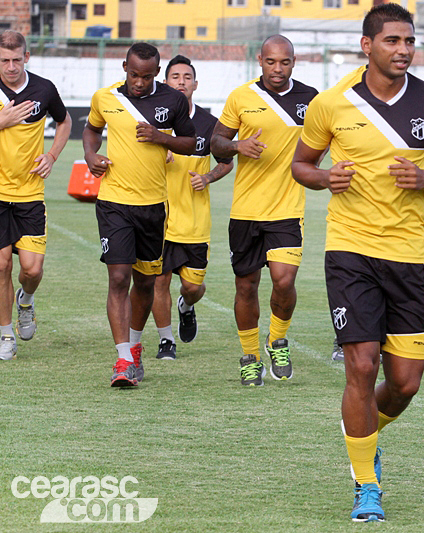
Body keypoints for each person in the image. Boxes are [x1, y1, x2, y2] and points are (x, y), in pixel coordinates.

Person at [292, 3, 424, 522]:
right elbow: (302, 165)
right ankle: (366, 484)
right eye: (392, 41)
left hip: (408, 256)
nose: (404, 49)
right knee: (362, 366)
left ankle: (364, 435)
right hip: (350, 251)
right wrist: (326, 178)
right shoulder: (332, 104)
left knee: (407, 382)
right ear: (367, 46)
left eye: (409, 41)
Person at [83, 42, 196, 387]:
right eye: (133, 74)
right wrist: (91, 155)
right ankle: (121, 359)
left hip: (153, 207)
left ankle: (134, 346)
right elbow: (91, 129)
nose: (139, 82)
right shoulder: (105, 98)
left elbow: (190, 143)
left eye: (146, 77)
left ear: (156, 74)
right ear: (124, 67)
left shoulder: (173, 101)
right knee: (118, 277)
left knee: (145, 282)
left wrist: (161, 137)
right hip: (114, 202)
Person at [211, 35, 318, 385]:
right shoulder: (242, 97)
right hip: (245, 210)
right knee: (246, 287)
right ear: (260, 60)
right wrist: (237, 144)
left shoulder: (311, 99)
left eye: (284, 62)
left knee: (284, 280)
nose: (277, 68)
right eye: (271, 62)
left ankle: (277, 339)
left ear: (293, 61)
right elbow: (217, 144)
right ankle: (250, 356)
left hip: (287, 207)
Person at [150, 55, 233, 360]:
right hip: (158, 219)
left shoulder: (209, 125)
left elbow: (227, 161)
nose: (181, 82)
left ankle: (187, 306)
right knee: (158, 281)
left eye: (187, 77)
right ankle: (165, 340)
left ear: (195, 84)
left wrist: (208, 176)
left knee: (193, 287)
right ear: (165, 81)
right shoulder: (153, 120)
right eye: (175, 77)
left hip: (195, 222)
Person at [0, 31, 71, 361]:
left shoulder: (43, 88)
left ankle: (25, 301)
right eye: (4, 60)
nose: (11, 66)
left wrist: (52, 155)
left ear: (26, 57)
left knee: (31, 270)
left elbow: (65, 121)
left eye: (17, 59)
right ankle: (5, 334)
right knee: (1, 266)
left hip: (30, 193)